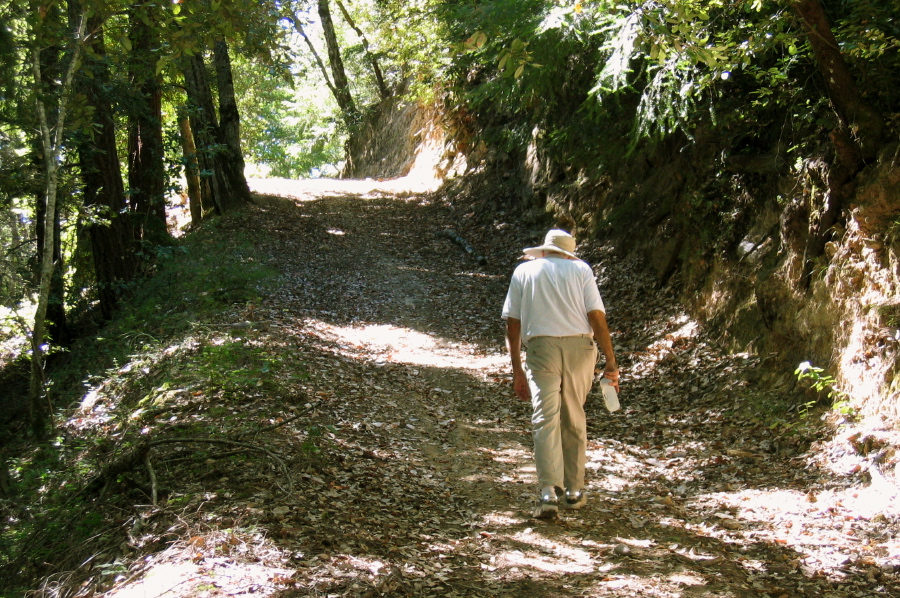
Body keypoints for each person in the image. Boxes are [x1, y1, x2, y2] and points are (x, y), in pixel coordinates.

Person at [501, 229, 619, 519]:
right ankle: (574, 490)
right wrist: (611, 361)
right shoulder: (581, 270)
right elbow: (596, 317)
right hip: (580, 348)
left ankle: (547, 491)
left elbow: (512, 323)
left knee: (545, 418)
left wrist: (516, 369)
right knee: (574, 414)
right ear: (569, 253)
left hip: (541, 349)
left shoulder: (524, 271)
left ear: (543, 251)